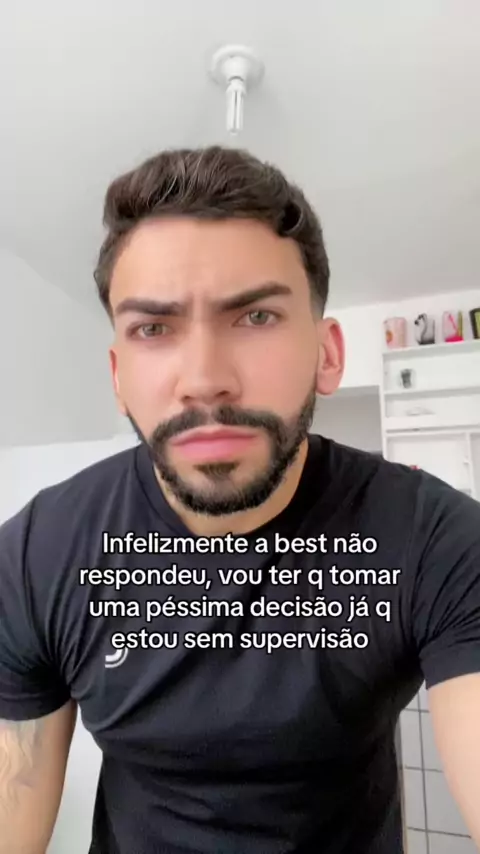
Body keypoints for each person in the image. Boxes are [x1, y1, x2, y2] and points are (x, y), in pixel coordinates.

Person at [1, 145, 479, 854]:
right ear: (119, 376)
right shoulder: (36, 555)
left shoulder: (434, 537)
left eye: (255, 317)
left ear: (327, 354)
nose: (204, 379)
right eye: (154, 329)